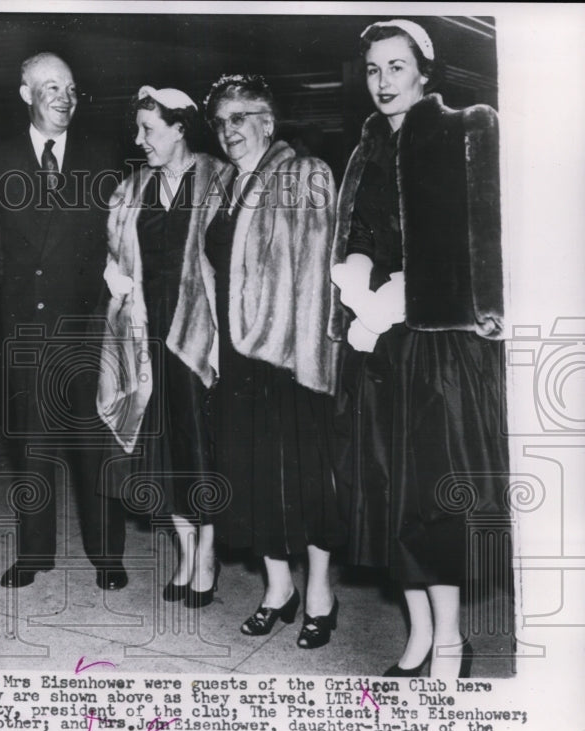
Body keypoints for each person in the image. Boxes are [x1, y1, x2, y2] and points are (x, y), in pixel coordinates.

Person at [329, 20, 507, 676]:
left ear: (425, 73)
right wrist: (356, 280)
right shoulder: (368, 146)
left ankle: (452, 642)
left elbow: (478, 240)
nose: (382, 82)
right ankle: (420, 635)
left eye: (396, 67)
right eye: (373, 69)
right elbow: (362, 232)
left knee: (432, 498)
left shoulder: (463, 130)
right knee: (386, 492)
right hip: (379, 346)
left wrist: (401, 295)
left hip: (437, 347)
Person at [0, 53, 126, 591]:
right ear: (26, 94)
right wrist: (26, 295)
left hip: (87, 323)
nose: (65, 98)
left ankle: (107, 554)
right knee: (32, 446)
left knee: (94, 443)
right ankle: (34, 553)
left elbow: (114, 240)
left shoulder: (101, 158)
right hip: (29, 324)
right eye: (52, 88)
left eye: (71, 89)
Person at [200, 75, 343, 646]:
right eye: (220, 121)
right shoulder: (223, 184)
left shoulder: (304, 173)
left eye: (239, 118)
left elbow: (318, 278)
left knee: (307, 481)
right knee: (255, 480)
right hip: (238, 364)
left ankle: (320, 595)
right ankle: (278, 589)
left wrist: (309, 362)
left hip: (289, 360)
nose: (228, 130)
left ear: (268, 121)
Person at [98, 85, 226, 608]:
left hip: (202, 336)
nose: (139, 139)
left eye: (149, 129)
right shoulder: (132, 190)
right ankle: (187, 549)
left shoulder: (222, 181)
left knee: (203, 448)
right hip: (149, 335)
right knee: (164, 449)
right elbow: (116, 253)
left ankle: (208, 553)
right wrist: (111, 271)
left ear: (179, 129)